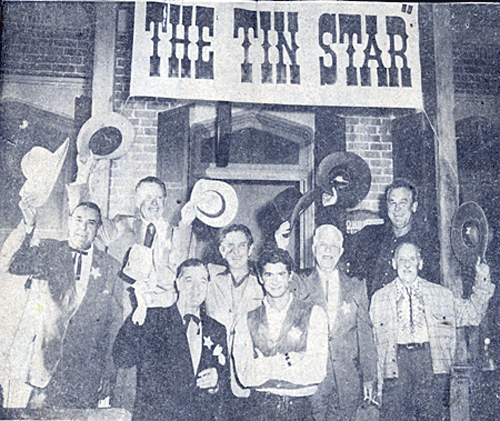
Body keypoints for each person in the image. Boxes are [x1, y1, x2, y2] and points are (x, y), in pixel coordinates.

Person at [6, 199, 123, 409]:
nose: (83, 228)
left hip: (87, 372)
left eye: (90, 223)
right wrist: (28, 226)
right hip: (45, 366)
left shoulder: (110, 267)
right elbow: (15, 264)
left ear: (98, 229)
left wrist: (108, 369)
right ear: (69, 222)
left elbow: (114, 324)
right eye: (78, 220)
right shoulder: (49, 251)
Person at [370, 242, 494, 421]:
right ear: (393, 263)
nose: (407, 264)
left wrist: (482, 278)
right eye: (402, 259)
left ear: (420, 263)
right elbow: (372, 344)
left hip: (431, 366)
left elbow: (473, 314)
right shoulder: (379, 299)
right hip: (395, 368)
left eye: (412, 259)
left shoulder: (441, 295)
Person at [112, 259, 230, 421]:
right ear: (178, 284)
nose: (196, 289)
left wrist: (216, 383)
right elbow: (122, 358)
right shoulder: (153, 319)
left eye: (202, 281)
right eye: (189, 281)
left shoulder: (217, 330)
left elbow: (226, 384)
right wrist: (137, 316)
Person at [233, 248, 329, 421]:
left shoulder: (314, 313)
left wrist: (264, 365)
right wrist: (287, 360)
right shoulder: (246, 319)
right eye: (269, 275)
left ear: (290, 275)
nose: (275, 281)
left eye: (281, 274)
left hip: (300, 409)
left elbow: (316, 372)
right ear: (261, 278)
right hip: (259, 410)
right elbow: (245, 376)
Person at [299, 225, 377, 421]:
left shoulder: (357, 286)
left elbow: (365, 336)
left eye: (333, 246)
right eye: (323, 245)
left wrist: (369, 377)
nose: (327, 251)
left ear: (341, 252)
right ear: (313, 248)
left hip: (347, 382)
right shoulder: (299, 284)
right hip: (310, 383)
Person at [344, 178, 440, 298]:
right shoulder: (370, 234)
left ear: (414, 207)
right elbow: (339, 245)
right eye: (392, 203)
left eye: (403, 203)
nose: (397, 209)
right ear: (387, 206)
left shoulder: (427, 244)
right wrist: (331, 207)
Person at [205, 224, 264, 416]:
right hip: (217, 377)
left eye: (242, 245)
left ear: (250, 249)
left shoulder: (263, 284)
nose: (236, 252)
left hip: (252, 377)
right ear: (222, 250)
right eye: (230, 245)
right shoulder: (210, 280)